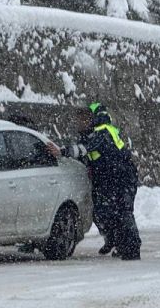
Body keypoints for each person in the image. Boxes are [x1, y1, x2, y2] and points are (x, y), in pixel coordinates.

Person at [48, 102, 141, 260]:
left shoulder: (103, 132)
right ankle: (115, 242)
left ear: (94, 118)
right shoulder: (90, 134)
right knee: (102, 212)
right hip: (108, 179)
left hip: (122, 178)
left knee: (123, 213)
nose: (79, 123)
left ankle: (132, 249)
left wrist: (61, 151)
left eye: (84, 119)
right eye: (78, 120)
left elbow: (84, 149)